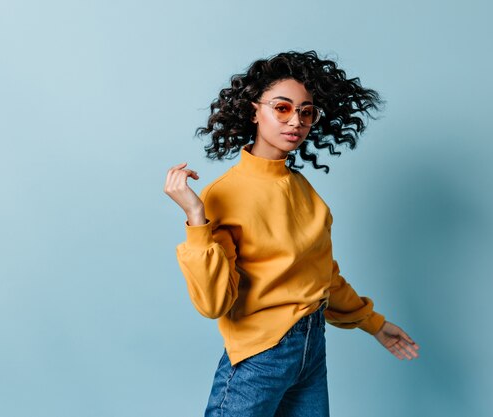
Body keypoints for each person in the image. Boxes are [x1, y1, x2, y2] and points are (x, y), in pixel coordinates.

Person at [164, 50, 420, 417]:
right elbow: (213, 304)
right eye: (282, 108)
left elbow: (323, 277)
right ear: (255, 111)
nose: (295, 121)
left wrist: (374, 325)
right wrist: (195, 217)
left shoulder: (305, 192)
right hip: (260, 356)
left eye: (306, 112)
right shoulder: (224, 194)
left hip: (312, 348)